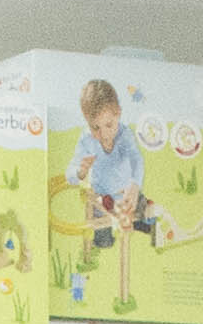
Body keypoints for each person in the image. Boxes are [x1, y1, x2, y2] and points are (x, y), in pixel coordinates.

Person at [66, 78, 159, 253]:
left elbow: (137, 160)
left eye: (109, 125)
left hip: (127, 195)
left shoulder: (124, 135)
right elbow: (69, 174)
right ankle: (107, 235)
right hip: (103, 200)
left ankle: (140, 222)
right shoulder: (86, 140)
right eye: (95, 128)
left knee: (148, 221)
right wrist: (80, 172)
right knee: (104, 243)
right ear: (87, 121)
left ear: (118, 114)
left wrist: (135, 184)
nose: (103, 134)